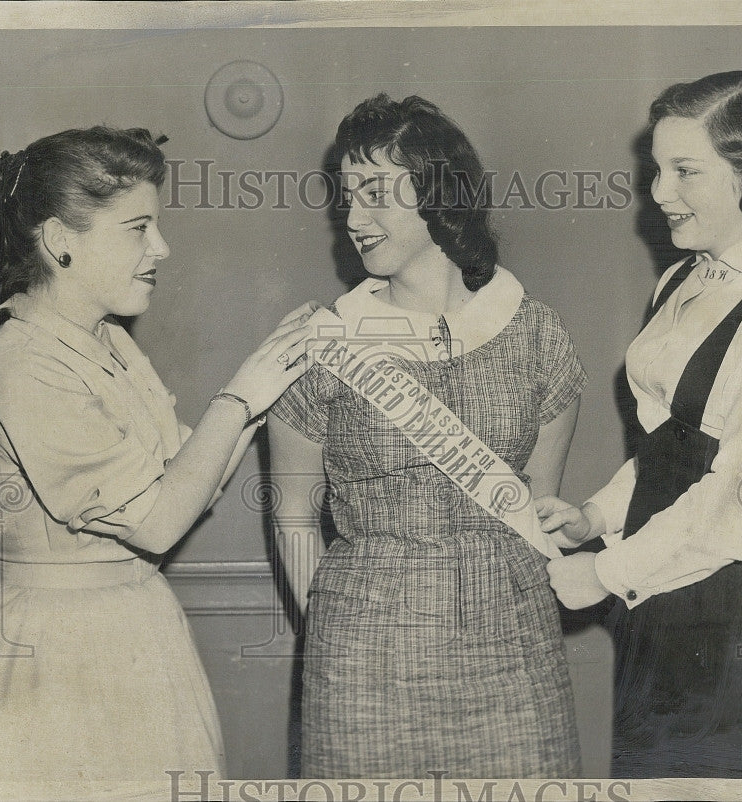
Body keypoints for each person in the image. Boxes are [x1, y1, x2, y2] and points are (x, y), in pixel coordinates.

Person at [0, 126, 314, 784]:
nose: (161, 248)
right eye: (138, 228)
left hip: (131, 629)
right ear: (60, 241)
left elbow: (188, 485)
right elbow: (157, 521)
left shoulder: (104, 342)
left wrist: (272, 384)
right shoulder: (23, 367)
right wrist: (243, 395)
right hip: (55, 655)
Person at [539, 71, 742, 779]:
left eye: (685, 171)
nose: (658, 193)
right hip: (671, 583)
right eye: (657, 169)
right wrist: (594, 516)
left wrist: (606, 572)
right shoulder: (683, 279)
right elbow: (673, 448)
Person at [269, 94, 586, 778]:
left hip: (514, 643)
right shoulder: (324, 345)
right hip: (364, 651)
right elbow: (293, 515)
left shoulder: (536, 335)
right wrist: (331, 628)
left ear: (438, 191)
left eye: (376, 193)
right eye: (347, 197)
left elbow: (534, 508)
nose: (354, 218)